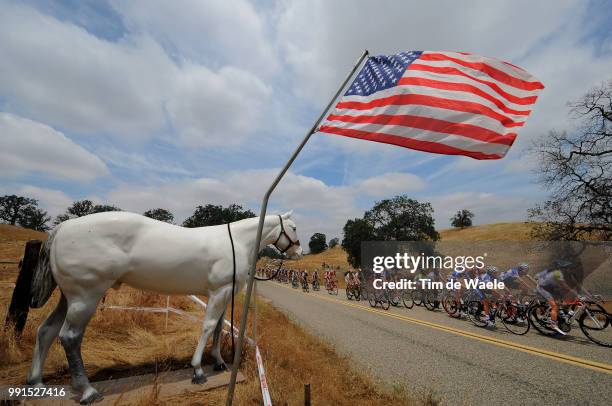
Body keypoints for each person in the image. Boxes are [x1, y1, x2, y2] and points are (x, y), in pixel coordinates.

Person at [535, 260, 578, 335]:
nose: (569, 269)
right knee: (555, 306)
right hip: (543, 288)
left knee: (562, 301)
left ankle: (560, 315)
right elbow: (564, 284)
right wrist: (573, 292)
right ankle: (553, 324)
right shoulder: (558, 273)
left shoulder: (564, 273)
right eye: (567, 268)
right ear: (563, 268)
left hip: (551, 287)